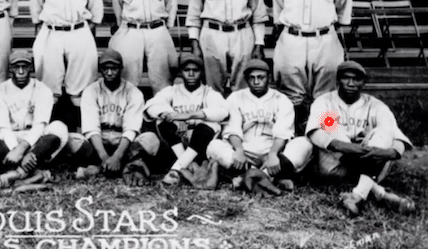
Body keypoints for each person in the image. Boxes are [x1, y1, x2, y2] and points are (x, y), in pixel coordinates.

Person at [307, 61, 415, 215]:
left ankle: (357, 196)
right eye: (346, 78)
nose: (351, 83)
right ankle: (380, 193)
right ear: (338, 80)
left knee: (382, 132)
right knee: (332, 127)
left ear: (364, 82)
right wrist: (350, 148)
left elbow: (396, 136)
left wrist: (390, 153)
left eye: (356, 79)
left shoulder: (375, 105)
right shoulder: (326, 102)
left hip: (370, 159)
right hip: (334, 166)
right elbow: (316, 134)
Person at [272, 0, 352, 134]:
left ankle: (328, 136)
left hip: (324, 37)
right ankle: (293, 136)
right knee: (292, 92)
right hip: (292, 37)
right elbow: (279, 9)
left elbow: (342, 9)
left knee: (326, 93)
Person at [31, 0, 103, 128]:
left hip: (79, 30)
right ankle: (45, 131)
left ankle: (83, 131)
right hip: (51, 32)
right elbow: (36, 14)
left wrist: (85, 35)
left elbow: (96, 13)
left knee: (81, 89)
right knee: (48, 87)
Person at [206, 59, 313, 192]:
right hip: (244, 154)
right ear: (246, 79)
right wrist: (239, 150)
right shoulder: (236, 97)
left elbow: (283, 131)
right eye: (252, 78)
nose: (256, 82)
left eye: (261, 77)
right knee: (214, 146)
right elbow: (232, 128)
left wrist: (273, 154)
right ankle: (268, 178)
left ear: (269, 77)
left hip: (274, 154)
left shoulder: (281, 99)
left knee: (305, 143)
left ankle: (250, 178)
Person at [0, 50, 68, 187]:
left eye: (25, 66)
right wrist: (16, 150)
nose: (21, 71)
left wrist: (22, 149)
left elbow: (40, 125)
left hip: (34, 140)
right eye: (16, 67)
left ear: (31, 68)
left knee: (59, 128)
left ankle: (18, 173)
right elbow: (3, 127)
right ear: (10, 68)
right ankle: (35, 172)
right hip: (9, 140)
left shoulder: (42, 89)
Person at [67, 49, 160, 185]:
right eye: (105, 68)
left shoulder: (133, 92)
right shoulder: (91, 90)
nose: (109, 72)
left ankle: (99, 168)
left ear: (121, 68)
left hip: (122, 141)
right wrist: (104, 156)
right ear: (101, 70)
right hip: (99, 142)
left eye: (114, 68)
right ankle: (119, 166)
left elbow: (131, 128)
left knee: (151, 139)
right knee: (70, 139)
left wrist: (117, 155)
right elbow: (91, 128)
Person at [144, 54, 228, 187]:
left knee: (210, 123)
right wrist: (172, 116)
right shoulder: (172, 90)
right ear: (180, 72)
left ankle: (176, 169)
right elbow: (151, 106)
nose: (191, 74)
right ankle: (186, 164)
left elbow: (223, 111)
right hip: (177, 145)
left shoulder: (209, 92)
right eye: (187, 70)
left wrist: (189, 116)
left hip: (201, 147)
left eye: (195, 70)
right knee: (162, 121)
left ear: (202, 72)